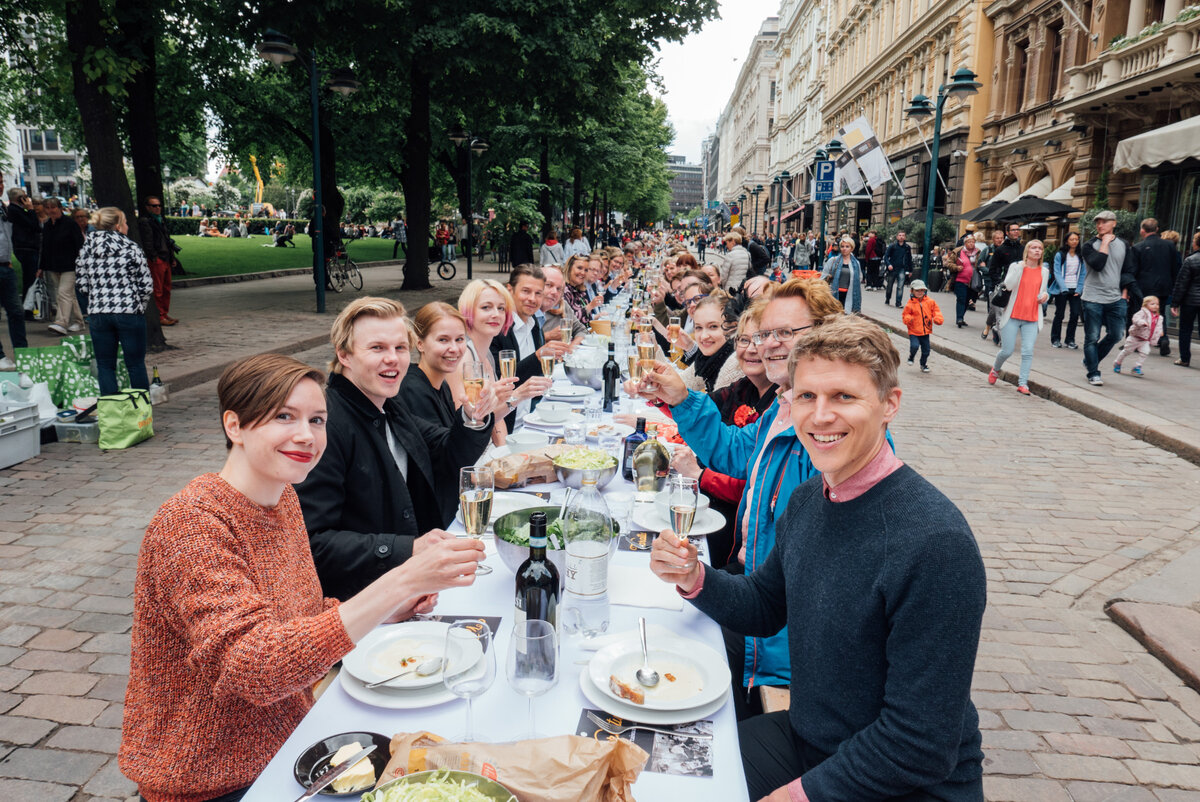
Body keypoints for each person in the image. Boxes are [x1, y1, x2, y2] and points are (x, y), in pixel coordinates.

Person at [120, 353, 484, 802]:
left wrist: (386, 611)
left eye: (317, 420)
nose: (305, 436)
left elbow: (302, 617)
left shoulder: (284, 499)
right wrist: (402, 579)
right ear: (234, 425)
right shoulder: (192, 524)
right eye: (283, 417)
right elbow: (257, 669)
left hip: (292, 741)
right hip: (212, 781)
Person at [650, 315, 984, 802]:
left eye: (843, 397)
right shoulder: (810, 499)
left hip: (903, 784)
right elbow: (765, 605)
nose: (820, 416)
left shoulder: (935, 543)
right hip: (812, 738)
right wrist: (696, 576)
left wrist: (795, 795)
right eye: (807, 397)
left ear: (889, 404)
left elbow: (921, 742)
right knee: (661, 773)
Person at [628, 278, 855, 722]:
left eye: (785, 333)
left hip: (786, 638)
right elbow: (737, 453)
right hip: (757, 593)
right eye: (763, 334)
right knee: (653, 631)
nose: (769, 345)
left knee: (665, 665)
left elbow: (822, 576)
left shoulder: (827, 432)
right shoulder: (784, 406)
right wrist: (682, 399)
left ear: (826, 334)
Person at [294, 297, 496, 601]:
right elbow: (313, 543)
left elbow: (445, 452)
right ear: (344, 355)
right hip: (364, 605)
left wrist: (473, 417)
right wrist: (408, 548)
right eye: (377, 348)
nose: (393, 359)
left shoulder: (389, 404)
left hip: (413, 585)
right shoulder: (326, 424)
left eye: (400, 348)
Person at [669, 299, 777, 568]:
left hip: (736, 531)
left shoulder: (781, 404)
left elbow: (756, 484)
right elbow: (698, 407)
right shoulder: (743, 387)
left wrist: (700, 475)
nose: (750, 349)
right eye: (742, 340)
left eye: (759, 339)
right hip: (712, 509)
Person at [73, 208, 152, 395]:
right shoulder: (131, 248)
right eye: (124, 222)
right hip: (129, 311)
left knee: (105, 365)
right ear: (117, 226)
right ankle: (141, 410)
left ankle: (111, 411)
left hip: (99, 313)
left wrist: (97, 299)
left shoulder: (86, 249)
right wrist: (139, 304)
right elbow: (146, 284)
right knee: (135, 364)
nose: (127, 226)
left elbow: (82, 284)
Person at [487, 265, 562, 425]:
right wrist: (537, 358)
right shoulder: (497, 330)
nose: (532, 299)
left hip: (531, 418)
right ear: (510, 290)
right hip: (506, 424)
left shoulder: (534, 323)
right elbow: (501, 381)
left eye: (538, 293)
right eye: (526, 291)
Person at [1081, 210, 1137, 387]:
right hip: (1092, 297)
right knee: (1092, 337)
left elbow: (1128, 270)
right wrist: (1104, 243)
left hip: (1116, 298)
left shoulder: (1124, 245)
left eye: (1105, 222)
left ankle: (1090, 359)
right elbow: (1098, 265)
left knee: (1116, 334)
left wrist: (1124, 294)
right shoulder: (1088, 245)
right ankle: (1093, 372)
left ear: (1114, 223)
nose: (1100, 225)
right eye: (1098, 222)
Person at [988, 239, 1050, 395]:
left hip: (1032, 317)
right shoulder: (1016, 266)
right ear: (1027, 251)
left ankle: (1023, 384)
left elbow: (1044, 291)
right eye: (1034, 248)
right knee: (1007, 350)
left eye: (1040, 248)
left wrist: (1045, 296)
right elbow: (1008, 285)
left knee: (1027, 351)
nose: (1037, 251)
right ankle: (995, 369)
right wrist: (1019, 269)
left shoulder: (1044, 271)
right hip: (1013, 315)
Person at [1131, 217, 1180, 355]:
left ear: (1142, 230)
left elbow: (1134, 270)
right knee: (1160, 313)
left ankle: (1137, 342)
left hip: (1144, 287)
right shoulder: (1169, 246)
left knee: (1141, 314)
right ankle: (1163, 339)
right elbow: (1175, 267)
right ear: (1157, 229)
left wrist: (1131, 289)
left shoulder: (1137, 247)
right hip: (1163, 287)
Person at [677, 293, 741, 394]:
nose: (703, 336)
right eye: (698, 327)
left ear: (732, 327)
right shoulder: (709, 359)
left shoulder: (736, 362)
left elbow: (713, 408)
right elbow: (677, 386)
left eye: (713, 326)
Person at [39, 198, 85, 335]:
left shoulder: (70, 224)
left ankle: (61, 322)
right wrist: (41, 267)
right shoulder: (47, 225)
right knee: (69, 294)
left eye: (53, 207)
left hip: (70, 265)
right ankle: (78, 321)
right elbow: (45, 247)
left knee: (63, 293)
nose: (50, 211)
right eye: (47, 208)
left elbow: (80, 244)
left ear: (60, 208)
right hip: (53, 265)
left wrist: (82, 263)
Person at [138, 196, 180, 326]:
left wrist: (172, 258)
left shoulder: (160, 220)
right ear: (148, 207)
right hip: (157, 259)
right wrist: (153, 257)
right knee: (158, 289)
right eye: (154, 206)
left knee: (166, 288)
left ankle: (164, 313)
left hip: (165, 258)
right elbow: (148, 242)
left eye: (159, 206)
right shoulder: (146, 221)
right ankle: (160, 315)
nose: (158, 208)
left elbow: (167, 240)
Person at [0, 193, 27, 370]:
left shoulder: (4, 206)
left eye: (2, 181)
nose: (1, 185)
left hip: (5, 265)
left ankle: (23, 354)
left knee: (16, 311)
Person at [1049, 231, 1084, 349]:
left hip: (1075, 288)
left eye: (1076, 239)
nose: (1074, 241)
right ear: (1066, 241)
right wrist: (1063, 287)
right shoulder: (1060, 255)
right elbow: (1057, 272)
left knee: (1074, 314)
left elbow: (1083, 273)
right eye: (1072, 239)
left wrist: (1079, 289)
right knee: (1059, 314)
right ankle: (1055, 339)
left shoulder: (1080, 255)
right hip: (1062, 289)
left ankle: (1070, 340)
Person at [5, 187, 40, 303]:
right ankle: (28, 305)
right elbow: (34, 226)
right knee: (30, 277)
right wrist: (30, 209)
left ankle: (29, 305)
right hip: (26, 247)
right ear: (19, 198)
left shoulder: (15, 210)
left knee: (29, 277)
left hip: (24, 246)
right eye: (25, 197)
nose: (27, 199)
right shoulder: (15, 211)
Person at [1113, 296, 1164, 377]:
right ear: (1146, 305)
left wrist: (1160, 332)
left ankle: (1137, 366)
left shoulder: (1159, 317)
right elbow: (1135, 318)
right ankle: (1117, 363)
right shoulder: (1142, 312)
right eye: (1152, 304)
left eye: (1157, 304)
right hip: (1135, 337)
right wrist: (1142, 322)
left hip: (1145, 339)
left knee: (1145, 352)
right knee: (1127, 351)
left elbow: (1158, 326)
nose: (1155, 306)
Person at [1170, 232, 1200, 368]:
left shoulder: (1190, 260)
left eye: (1193, 240)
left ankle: (1184, 358)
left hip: (1190, 301)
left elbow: (1182, 283)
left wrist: (1175, 302)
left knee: (1185, 329)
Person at [902, 279, 943, 373]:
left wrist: (938, 318)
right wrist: (909, 318)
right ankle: (911, 357)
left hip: (925, 331)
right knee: (914, 346)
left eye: (922, 290)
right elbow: (905, 315)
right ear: (912, 291)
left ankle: (923, 364)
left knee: (926, 350)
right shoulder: (910, 304)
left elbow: (936, 311)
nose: (920, 292)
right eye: (917, 290)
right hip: (914, 331)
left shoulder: (930, 302)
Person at [539, 264, 587, 339]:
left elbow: (581, 330)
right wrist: (549, 336)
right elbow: (523, 345)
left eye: (558, 288)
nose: (554, 292)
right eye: (549, 285)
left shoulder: (562, 304)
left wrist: (570, 348)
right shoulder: (530, 310)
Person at [820, 236, 863, 313]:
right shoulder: (833, 260)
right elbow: (823, 276)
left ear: (851, 248)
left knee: (846, 316)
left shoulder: (856, 263)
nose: (844, 248)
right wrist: (828, 277)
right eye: (842, 246)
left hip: (849, 294)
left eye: (847, 246)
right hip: (834, 293)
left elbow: (859, 278)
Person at [950, 234, 981, 327]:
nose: (971, 244)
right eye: (969, 242)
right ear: (965, 243)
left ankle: (961, 317)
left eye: (973, 242)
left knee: (968, 300)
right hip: (960, 279)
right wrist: (956, 267)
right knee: (961, 299)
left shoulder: (978, 252)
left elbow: (982, 262)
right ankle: (959, 318)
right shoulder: (958, 251)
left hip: (973, 281)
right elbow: (949, 263)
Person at [882, 231, 912, 308]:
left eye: (903, 235)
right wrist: (889, 264)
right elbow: (886, 257)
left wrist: (910, 270)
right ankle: (887, 298)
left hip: (902, 268)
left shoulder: (907, 247)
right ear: (897, 237)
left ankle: (898, 303)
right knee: (890, 285)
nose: (901, 237)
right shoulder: (893, 246)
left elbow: (909, 259)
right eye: (900, 235)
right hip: (892, 268)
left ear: (905, 237)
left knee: (900, 286)